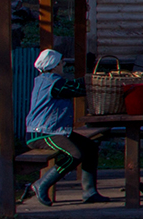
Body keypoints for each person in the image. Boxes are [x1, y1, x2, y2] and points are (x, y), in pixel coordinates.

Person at [23, 49, 101, 205]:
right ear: (54, 65)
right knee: (75, 154)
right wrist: (96, 80)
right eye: (61, 63)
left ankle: (90, 192)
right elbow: (78, 88)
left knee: (90, 148)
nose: (63, 65)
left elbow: (74, 84)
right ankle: (41, 184)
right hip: (43, 133)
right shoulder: (54, 83)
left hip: (54, 130)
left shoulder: (46, 80)